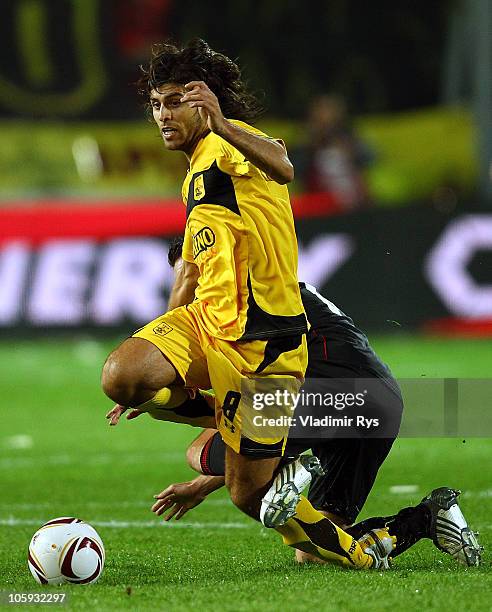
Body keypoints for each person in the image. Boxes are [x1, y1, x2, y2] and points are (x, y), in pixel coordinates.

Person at [101, 38, 394, 569]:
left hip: (266, 342)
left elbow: (284, 164)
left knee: (249, 496)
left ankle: (363, 551)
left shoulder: (232, 145)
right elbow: (189, 271)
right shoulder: (194, 176)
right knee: (121, 375)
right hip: (206, 325)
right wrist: (153, 371)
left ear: (206, 102)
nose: (164, 115)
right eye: (157, 104)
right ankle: (258, 434)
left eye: (176, 102)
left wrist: (220, 123)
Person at [108, 238, 482, 568]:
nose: (187, 291)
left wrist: (158, 394)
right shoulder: (278, 291)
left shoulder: (240, 310)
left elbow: (238, 423)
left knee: (200, 450)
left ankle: (290, 464)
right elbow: (245, 431)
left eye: (188, 277)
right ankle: (426, 519)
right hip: (378, 405)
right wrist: (201, 485)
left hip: (330, 396)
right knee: (317, 547)